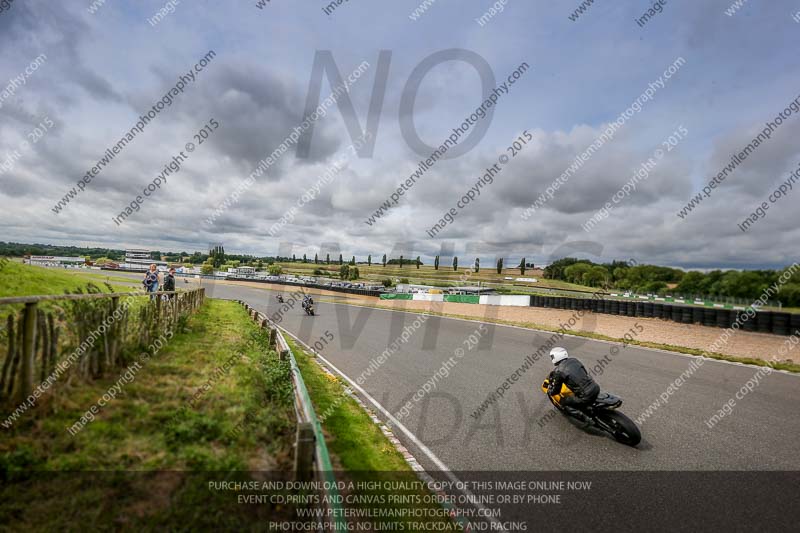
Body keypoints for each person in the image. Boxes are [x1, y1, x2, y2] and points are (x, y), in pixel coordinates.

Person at [547, 347, 600, 425]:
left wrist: (550, 391)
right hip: (595, 387)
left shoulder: (559, 371)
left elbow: (556, 390)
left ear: (556, 357)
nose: (552, 358)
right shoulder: (574, 360)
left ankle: (584, 418)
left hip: (585, 396)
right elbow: (583, 372)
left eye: (552, 357)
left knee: (564, 402)